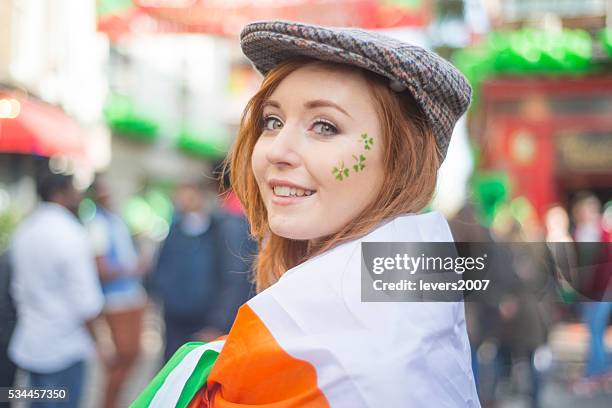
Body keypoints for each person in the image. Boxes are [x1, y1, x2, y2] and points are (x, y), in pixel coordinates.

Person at [134, 20, 479, 407]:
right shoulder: (411, 297)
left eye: (325, 126)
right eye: (273, 121)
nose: (276, 150)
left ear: (402, 157)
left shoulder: (346, 358)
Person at [9, 173, 104, 408]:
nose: (79, 195)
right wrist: (101, 342)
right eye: (75, 189)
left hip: (31, 342)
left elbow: (16, 287)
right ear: (61, 194)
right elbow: (87, 302)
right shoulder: (71, 233)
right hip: (64, 348)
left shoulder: (25, 229)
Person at [151, 178, 253, 362]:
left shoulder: (220, 228)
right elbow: (162, 265)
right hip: (175, 314)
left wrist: (218, 321)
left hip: (205, 316)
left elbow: (232, 277)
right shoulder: (175, 229)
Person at [86, 176, 147, 408]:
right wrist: (132, 268)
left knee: (133, 355)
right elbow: (101, 268)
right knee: (121, 357)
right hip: (116, 300)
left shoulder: (113, 219)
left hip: (131, 296)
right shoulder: (96, 224)